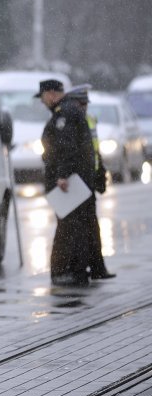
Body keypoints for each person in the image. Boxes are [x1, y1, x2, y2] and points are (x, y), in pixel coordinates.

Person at [38, 78, 95, 287]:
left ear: (51, 94)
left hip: (70, 182)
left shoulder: (64, 114)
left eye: (43, 97)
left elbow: (66, 147)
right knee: (75, 227)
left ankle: (66, 271)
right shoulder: (68, 111)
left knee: (68, 228)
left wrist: (62, 175)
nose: (43, 102)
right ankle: (77, 270)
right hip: (79, 179)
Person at [66, 84, 115, 280]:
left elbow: (94, 151)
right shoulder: (74, 120)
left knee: (91, 227)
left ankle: (96, 267)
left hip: (89, 179)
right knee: (83, 228)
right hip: (80, 181)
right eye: (81, 103)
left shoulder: (88, 119)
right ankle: (84, 268)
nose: (84, 106)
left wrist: (100, 173)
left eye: (86, 103)